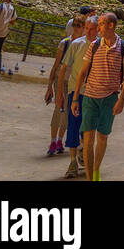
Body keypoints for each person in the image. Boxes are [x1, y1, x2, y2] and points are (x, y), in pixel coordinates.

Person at [70, 11, 124, 182]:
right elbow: (82, 73)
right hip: (90, 96)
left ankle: (96, 170)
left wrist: (122, 100)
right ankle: (90, 178)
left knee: (103, 137)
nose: (98, 28)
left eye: (102, 24)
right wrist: (75, 98)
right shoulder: (94, 45)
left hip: (110, 98)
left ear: (111, 26)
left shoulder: (123, 48)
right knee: (88, 140)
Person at [58, 13, 95, 177]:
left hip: (93, 94)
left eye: (92, 29)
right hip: (76, 92)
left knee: (88, 129)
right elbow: (63, 68)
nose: (88, 31)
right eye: (86, 28)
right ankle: (73, 162)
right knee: (73, 126)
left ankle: (83, 154)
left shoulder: (101, 47)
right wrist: (60, 92)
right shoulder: (76, 44)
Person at [45, 22, 74, 157]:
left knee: (68, 111)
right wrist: (49, 86)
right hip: (60, 80)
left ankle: (59, 140)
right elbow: (56, 64)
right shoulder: (65, 43)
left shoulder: (83, 44)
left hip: (73, 81)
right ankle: (52, 141)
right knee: (59, 109)